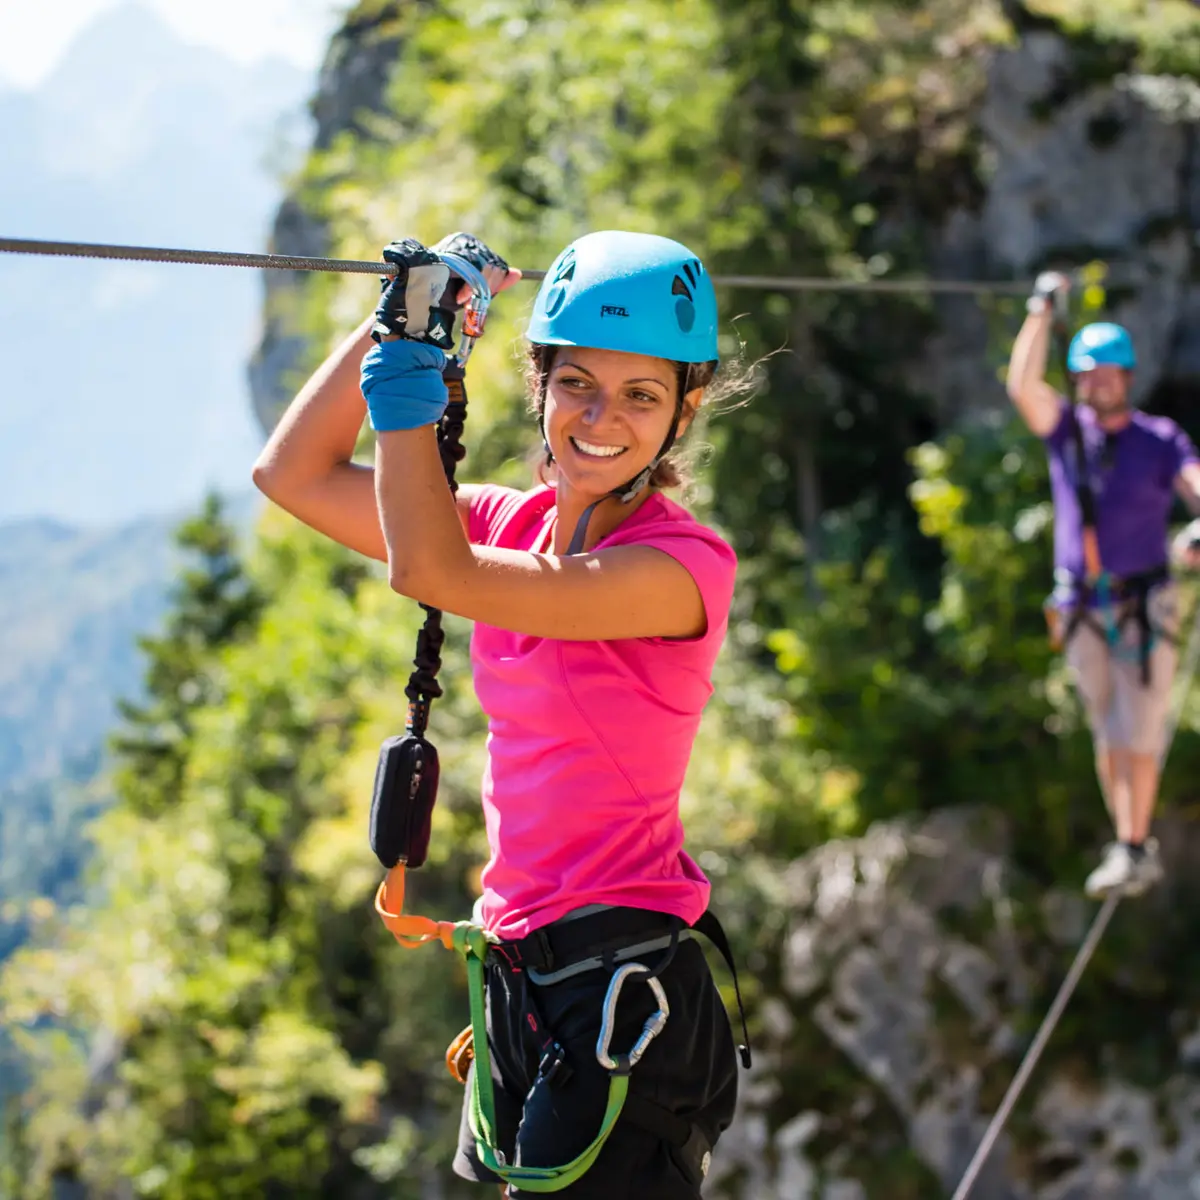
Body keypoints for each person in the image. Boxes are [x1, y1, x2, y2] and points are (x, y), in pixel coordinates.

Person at [252, 229, 747, 1197]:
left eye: (642, 395)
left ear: (686, 411)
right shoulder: (498, 520)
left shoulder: (681, 568)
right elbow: (293, 477)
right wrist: (398, 318)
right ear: (540, 382)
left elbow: (429, 569)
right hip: (524, 982)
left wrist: (410, 377)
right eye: (577, 384)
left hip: (619, 990)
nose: (602, 418)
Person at [1006, 271, 1200, 899]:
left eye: (1108, 372)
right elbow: (1022, 385)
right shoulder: (1068, 435)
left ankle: (1134, 845)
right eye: (1087, 373)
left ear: (1128, 377)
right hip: (1082, 607)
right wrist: (1040, 311)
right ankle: (1127, 840)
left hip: (1146, 607)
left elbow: (1196, 480)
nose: (1097, 382)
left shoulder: (1158, 440)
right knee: (1106, 732)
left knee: (1137, 730)